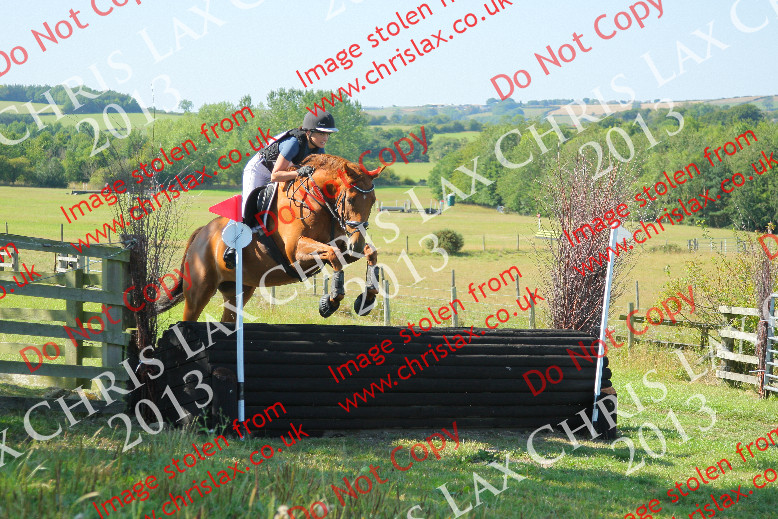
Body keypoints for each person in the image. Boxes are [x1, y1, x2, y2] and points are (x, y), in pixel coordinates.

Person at [223, 110, 338, 269]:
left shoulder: (319, 149)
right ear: (309, 132)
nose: (325, 138)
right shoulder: (293, 143)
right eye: (321, 133)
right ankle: (232, 246)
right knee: (248, 204)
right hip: (260, 170)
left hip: (283, 171)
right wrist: (298, 173)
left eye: (328, 134)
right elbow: (275, 175)